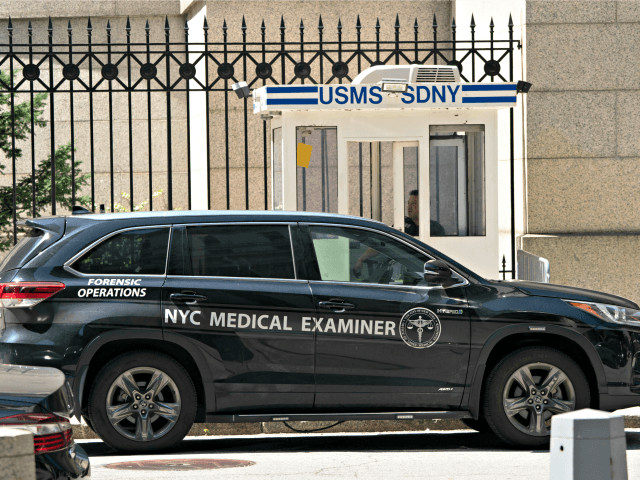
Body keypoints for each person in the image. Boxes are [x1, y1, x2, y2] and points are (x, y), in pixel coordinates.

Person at [353, 190, 445, 277]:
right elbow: (382, 243)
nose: (409, 207)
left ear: (424, 206)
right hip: (401, 273)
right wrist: (361, 259)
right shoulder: (402, 224)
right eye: (408, 203)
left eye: (413, 203)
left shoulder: (435, 229)